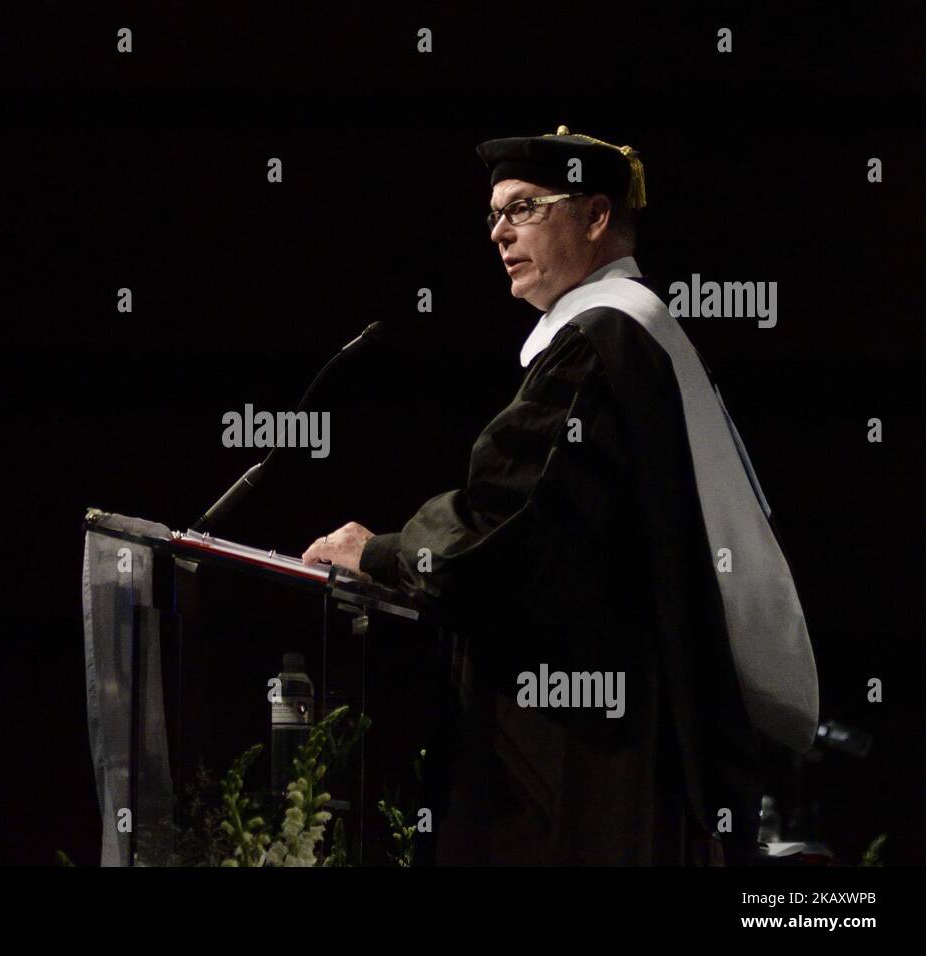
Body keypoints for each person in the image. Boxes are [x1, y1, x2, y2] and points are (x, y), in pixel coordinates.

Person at [301, 126, 818, 865]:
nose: (499, 233)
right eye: (492, 216)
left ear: (597, 216)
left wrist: (380, 554)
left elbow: (509, 530)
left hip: (585, 750)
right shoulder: (638, 336)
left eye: (524, 208)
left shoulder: (602, 343)